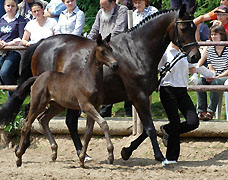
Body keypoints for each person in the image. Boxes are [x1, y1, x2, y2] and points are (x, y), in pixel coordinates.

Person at [88, 0, 132, 117]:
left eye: (105, 6)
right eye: (101, 6)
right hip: (102, 49)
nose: (102, 8)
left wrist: (104, 44)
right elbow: (94, 30)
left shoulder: (122, 10)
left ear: (113, 3)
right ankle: (104, 109)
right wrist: (87, 44)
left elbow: (118, 31)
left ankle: (129, 110)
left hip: (117, 47)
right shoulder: (100, 12)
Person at [158, 42, 199, 167]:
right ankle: (171, 157)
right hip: (168, 89)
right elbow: (156, 69)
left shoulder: (185, 52)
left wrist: (199, 74)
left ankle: (167, 129)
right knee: (175, 123)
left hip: (182, 90)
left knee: (193, 122)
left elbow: (192, 68)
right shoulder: (165, 52)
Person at [197, 25, 228, 121]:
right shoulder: (210, 50)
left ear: (222, 35)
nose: (213, 36)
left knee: (216, 83)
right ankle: (201, 111)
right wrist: (211, 74)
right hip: (215, 75)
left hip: (225, 76)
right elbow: (211, 66)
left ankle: (210, 112)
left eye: (216, 34)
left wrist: (218, 77)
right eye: (212, 34)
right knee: (200, 82)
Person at [0, 0, 26, 86]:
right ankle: (11, 97)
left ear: (16, 7)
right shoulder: (1, 20)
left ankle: (15, 95)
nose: (10, 8)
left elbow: (21, 38)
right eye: (8, 6)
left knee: (5, 73)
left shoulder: (20, 20)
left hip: (15, 51)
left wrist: (8, 44)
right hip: (1, 51)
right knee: (5, 76)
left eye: (13, 6)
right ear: (4, 7)